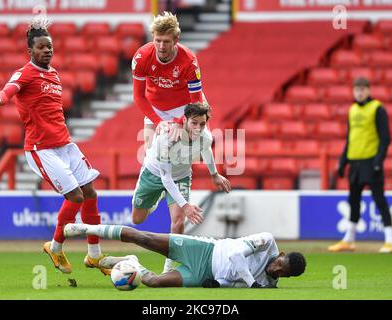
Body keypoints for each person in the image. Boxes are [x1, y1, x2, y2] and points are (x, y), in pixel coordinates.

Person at [0, 18, 107, 274]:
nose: (47, 51)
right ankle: (55, 246)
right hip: (42, 148)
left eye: (49, 46)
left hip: (65, 144)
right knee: (75, 196)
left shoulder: (54, 74)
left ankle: (94, 255)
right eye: (41, 47)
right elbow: (10, 88)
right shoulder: (25, 72)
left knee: (91, 194)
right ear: (31, 51)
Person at [132, 102, 231, 273]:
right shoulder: (166, 138)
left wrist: (214, 174)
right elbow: (165, 178)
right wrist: (186, 206)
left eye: (202, 124)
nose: (198, 128)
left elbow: (206, 149)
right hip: (154, 173)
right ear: (184, 120)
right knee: (137, 219)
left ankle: (168, 269)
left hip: (181, 177)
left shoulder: (205, 136)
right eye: (194, 123)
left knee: (178, 222)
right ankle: (155, 202)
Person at [63, 223, 307, 288]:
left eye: (280, 273)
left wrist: (218, 285)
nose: (275, 270)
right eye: (278, 264)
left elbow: (233, 282)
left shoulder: (269, 282)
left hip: (202, 273)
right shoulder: (267, 242)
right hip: (203, 250)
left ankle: (131, 262)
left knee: (153, 282)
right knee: (144, 238)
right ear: (280, 255)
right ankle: (87, 228)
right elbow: (235, 257)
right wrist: (253, 283)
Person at [328, 77, 392, 253]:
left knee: (379, 199)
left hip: (371, 162)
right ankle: (349, 240)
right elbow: (350, 138)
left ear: (369, 90)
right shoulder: (352, 110)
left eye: (362, 89)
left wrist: (379, 161)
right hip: (355, 163)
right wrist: (343, 162)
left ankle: (389, 240)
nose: (359, 92)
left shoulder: (377, 109)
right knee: (354, 201)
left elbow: (385, 138)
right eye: (356, 89)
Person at [132, 11, 207, 149]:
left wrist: (180, 121)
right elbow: (138, 96)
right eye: (158, 40)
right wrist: (158, 121)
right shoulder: (141, 57)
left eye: (166, 41)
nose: (161, 46)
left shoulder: (189, 61)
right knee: (150, 153)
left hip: (183, 108)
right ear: (152, 37)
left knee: (183, 154)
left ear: (176, 40)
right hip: (155, 107)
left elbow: (196, 101)